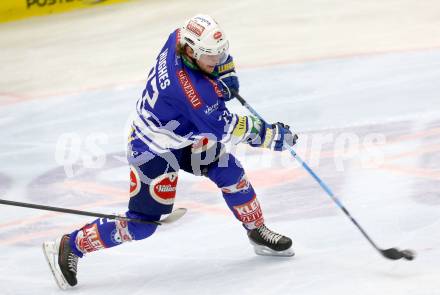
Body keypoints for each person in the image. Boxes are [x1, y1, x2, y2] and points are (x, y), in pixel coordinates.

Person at [42, 14, 298, 289]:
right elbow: (228, 128)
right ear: (191, 52)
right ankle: (71, 244)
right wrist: (270, 135)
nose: (219, 58)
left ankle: (256, 231)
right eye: (212, 57)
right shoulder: (195, 93)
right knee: (143, 225)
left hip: (182, 133)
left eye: (220, 52)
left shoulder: (178, 37)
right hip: (152, 148)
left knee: (230, 172)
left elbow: (215, 58)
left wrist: (226, 71)